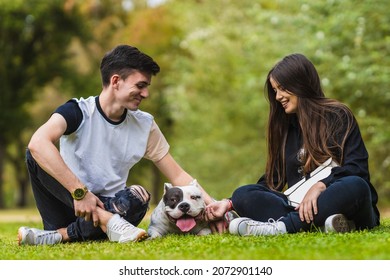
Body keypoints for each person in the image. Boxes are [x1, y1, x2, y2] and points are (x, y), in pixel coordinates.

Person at [18, 45, 223, 245]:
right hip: (69, 203)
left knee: (138, 196)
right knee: (34, 155)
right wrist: (80, 192)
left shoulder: (145, 125)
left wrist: (214, 206)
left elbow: (178, 176)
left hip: (116, 207)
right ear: (116, 81)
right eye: (140, 86)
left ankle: (60, 236)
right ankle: (107, 223)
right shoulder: (77, 111)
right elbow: (37, 143)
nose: (145, 94)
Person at [205, 53, 380, 236]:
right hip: (299, 206)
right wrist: (230, 202)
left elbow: (357, 169)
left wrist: (321, 186)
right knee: (243, 193)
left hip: (342, 201)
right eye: (275, 91)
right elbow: (273, 182)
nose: (278, 96)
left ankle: (282, 228)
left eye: (282, 88)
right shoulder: (285, 128)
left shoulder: (338, 116)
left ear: (300, 84)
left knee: (356, 185)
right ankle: (324, 224)